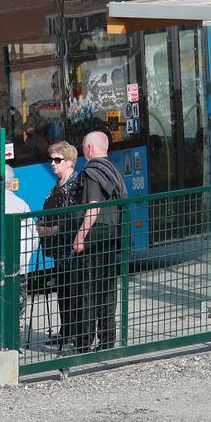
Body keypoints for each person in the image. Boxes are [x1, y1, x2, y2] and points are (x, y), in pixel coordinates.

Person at [71, 130, 127, 352]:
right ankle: (107, 339)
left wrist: (80, 236)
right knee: (107, 290)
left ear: (88, 149)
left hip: (93, 239)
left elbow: (92, 207)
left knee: (88, 291)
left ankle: (84, 343)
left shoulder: (91, 172)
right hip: (112, 236)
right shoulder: (114, 171)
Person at [36, 141, 81, 348]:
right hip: (58, 248)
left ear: (70, 162)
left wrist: (49, 230)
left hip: (68, 247)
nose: (52, 164)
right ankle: (66, 331)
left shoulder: (73, 186)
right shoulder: (58, 185)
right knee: (63, 291)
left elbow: (71, 219)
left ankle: (73, 333)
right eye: (51, 159)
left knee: (72, 291)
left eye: (57, 160)